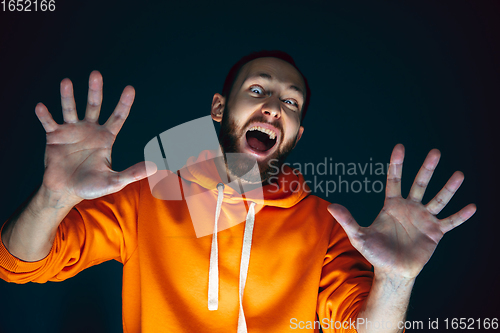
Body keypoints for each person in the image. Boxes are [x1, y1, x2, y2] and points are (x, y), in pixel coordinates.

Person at [0, 50, 476, 333]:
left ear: (297, 134)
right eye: (258, 91)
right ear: (218, 108)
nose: (273, 107)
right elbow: (20, 266)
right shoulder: (149, 194)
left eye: (290, 102)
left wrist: (396, 280)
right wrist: (55, 198)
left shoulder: (325, 227)